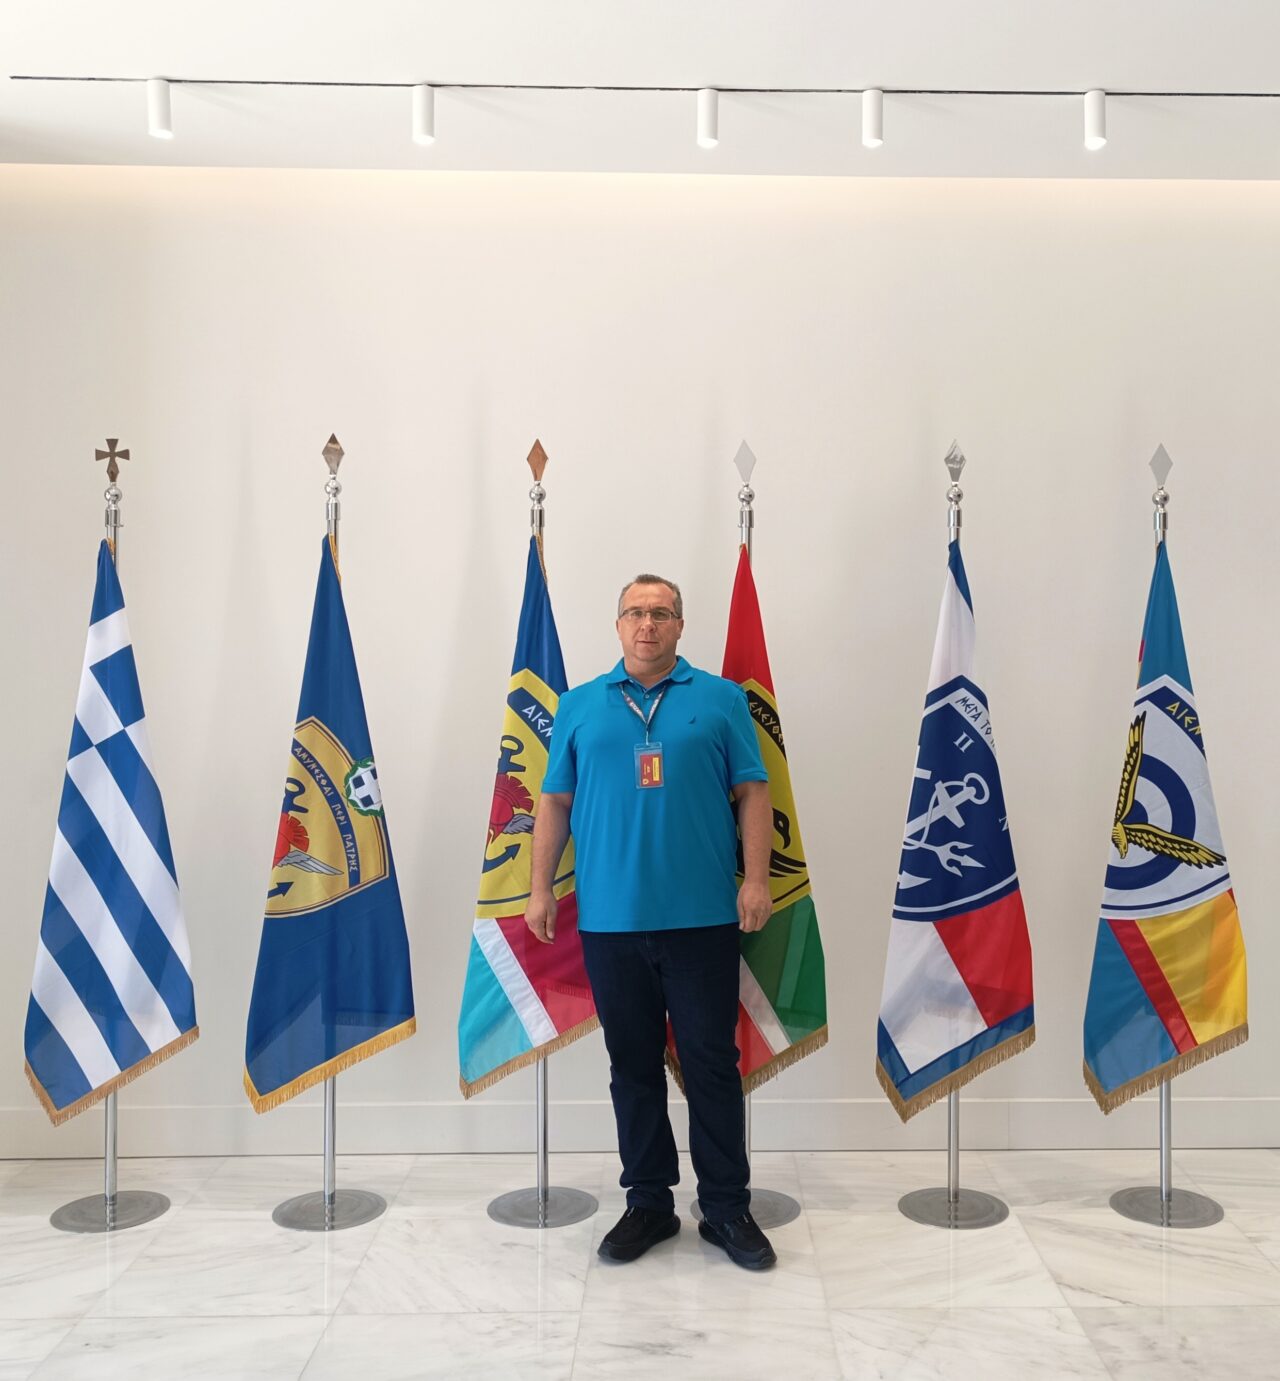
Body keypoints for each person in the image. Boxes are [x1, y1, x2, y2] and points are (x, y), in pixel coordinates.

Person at [526, 573, 777, 1271]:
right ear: (617, 625)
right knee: (632, 1066)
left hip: (702, 920)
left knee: (711, 1066)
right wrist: (539, 889)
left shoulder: (722, 700)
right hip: (610, 922)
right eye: (635, 612)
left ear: (679, 625)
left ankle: (726, 1207)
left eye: (661, 613)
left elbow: (753, 792)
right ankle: (648, 1203)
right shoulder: (579, 706)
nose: (647, 624)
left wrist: (757, 880)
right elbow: (553, 803)